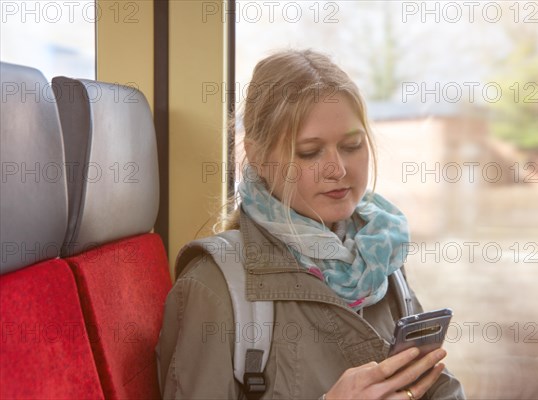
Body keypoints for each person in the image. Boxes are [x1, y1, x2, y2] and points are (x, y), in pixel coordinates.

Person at [156, 49, 465, 399]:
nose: (337, 169)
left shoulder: (381, 256)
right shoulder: (213, 285)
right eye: (309, 152)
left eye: (352, 145)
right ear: (257, 155)